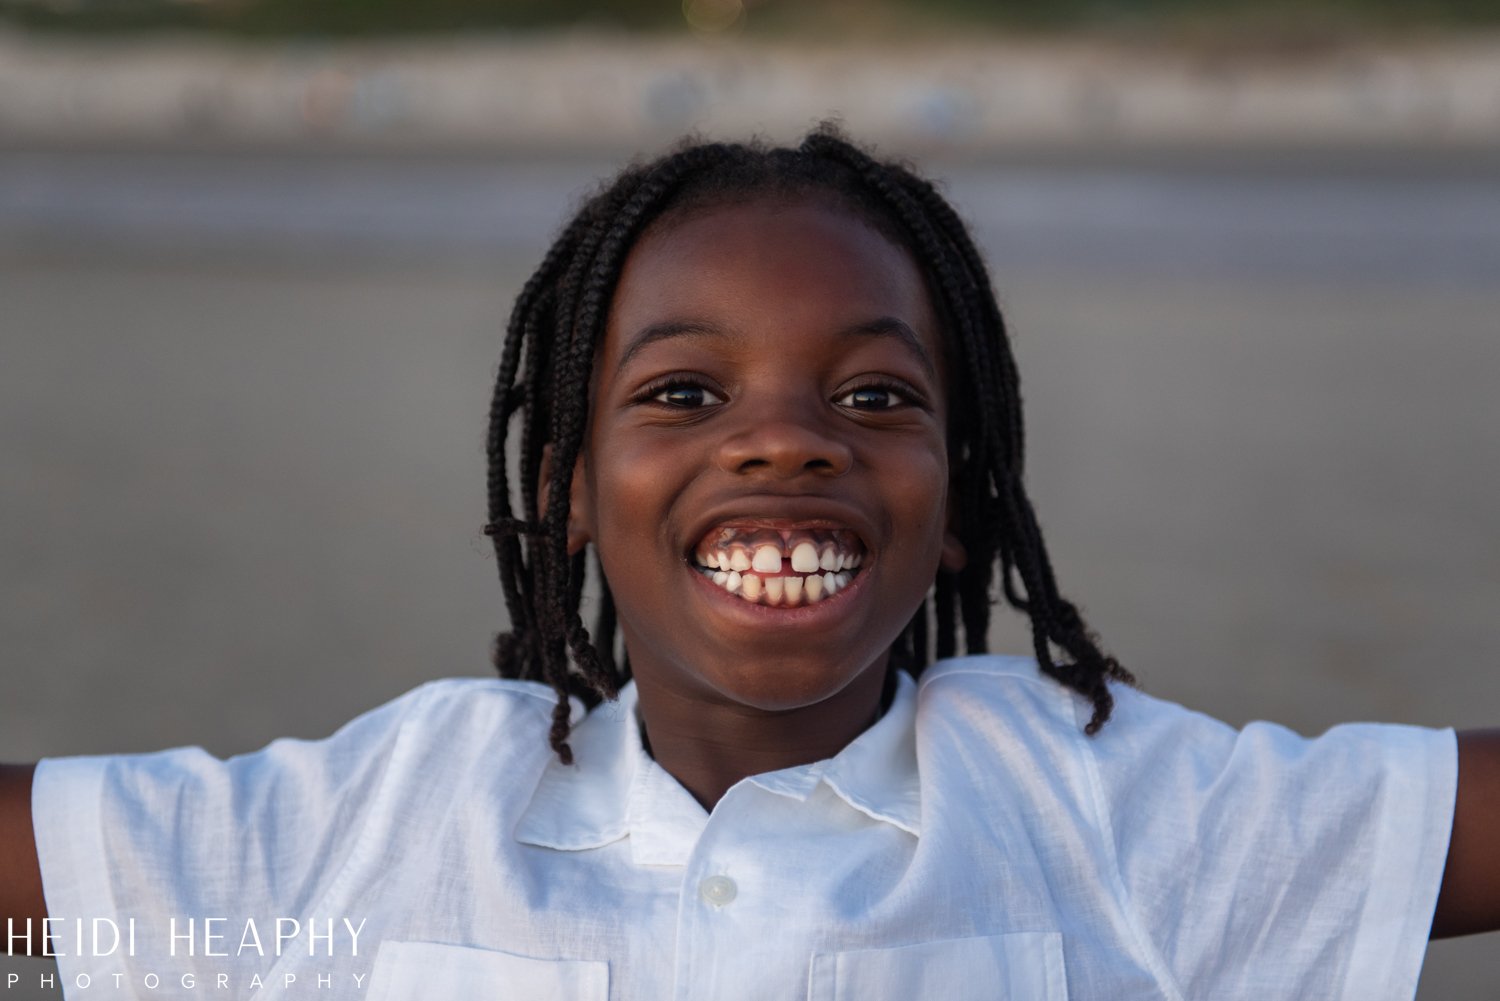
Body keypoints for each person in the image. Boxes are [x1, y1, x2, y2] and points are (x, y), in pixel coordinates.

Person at [2, 126, 1498, 1000]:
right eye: (682, 393)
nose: (786, 443)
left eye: (873, 396)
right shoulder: (388, 811)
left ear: (963, 502)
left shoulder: (1106, 812)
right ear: (568, 491)